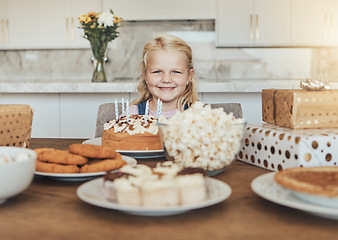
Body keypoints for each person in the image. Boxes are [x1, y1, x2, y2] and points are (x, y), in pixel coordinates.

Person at [129, 34, 198, 118]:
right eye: (157, 71)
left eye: (176, 72)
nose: (166, 79)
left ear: (189, 76)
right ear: (145, 75)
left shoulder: (199, 116)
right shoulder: (131, 114)